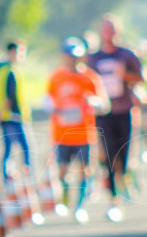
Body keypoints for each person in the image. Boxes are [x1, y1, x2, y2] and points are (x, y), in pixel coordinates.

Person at [45, 37, 109, 224]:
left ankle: (80, 207)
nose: (71, 60)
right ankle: (65, 200)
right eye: (68, 56)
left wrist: (94, 102)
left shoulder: (90, 77)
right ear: (63, 57)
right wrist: (52, 107)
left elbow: (104, 104)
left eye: (75, 56)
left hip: (84, 134)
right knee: (62, 172)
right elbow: (47, 99)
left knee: (84, 171)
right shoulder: (56, 77)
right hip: (61, 134)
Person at [87, 16, 143, 222]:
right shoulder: (93, 58)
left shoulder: (126, 55)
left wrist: (125, 76)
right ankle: (113, 197)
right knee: (109, 154)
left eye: (112, 30)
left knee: (124, 152)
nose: (108, 33)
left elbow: (140, 78)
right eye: (105, 30)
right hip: (103, 113)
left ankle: (125, 177)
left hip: (124, 110)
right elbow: (86, 81)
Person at [0, 41, 31, 181]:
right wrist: (0, 112)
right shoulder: (11, 72)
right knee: (25, 147)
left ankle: (8, 176)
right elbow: (9, 96)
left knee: (8, 148)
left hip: (5, 115)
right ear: (12, 52)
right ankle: (26, 174)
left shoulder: (2, 70)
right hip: (12, 116)